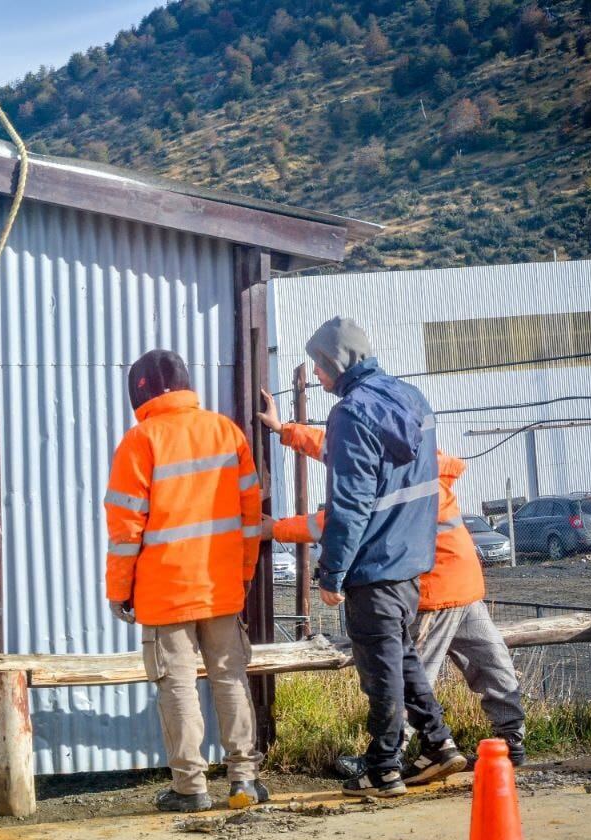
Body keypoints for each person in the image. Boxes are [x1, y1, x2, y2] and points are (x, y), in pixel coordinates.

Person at [257, 393, 526, 769]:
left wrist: (278, 528)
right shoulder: (421, 461)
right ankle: (511, 738)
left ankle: (390, 755)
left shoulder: (394, 474)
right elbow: (334, 450)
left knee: (405, 674)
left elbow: (342, 519)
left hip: (432, 588)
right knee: (490, 662)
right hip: (465, 584)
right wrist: (286, 430)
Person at [299, 317, 463, 798]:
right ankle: (437, 746)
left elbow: (350, 503)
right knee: (402, 657)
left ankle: (383, 767)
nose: (315, 376)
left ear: (336, 362)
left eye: (319, 366)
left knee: (381, 671)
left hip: (371, 567)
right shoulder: (413, 399)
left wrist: (331, 571)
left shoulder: (350, 413)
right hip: (411, 560)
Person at [104, 349, 267, 813]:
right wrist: (244, 574)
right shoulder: (225, 432)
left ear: (141, 394)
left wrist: (119, 591)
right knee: (230, 678)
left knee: (176, 684)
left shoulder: (141, 440)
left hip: (164, 593)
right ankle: (244, 780)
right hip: (221, 587)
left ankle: (190, 787)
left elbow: (125, 531)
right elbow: (251, 517)